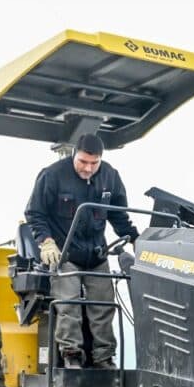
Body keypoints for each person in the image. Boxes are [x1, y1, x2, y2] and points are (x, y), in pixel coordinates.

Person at [24, 132, 138, 369]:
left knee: (104, 306)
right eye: (83, 162)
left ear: (100, 160)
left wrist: (137, 240)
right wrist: (46, 241)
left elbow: (118, 215)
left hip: (96, 254)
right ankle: (72, 356)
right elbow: (35, 213)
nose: (88, 168)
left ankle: (104, 358)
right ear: (75, 154)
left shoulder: (110, 176)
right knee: (69, 305)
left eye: (93, 163)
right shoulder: (52, 175)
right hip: (65, 253)